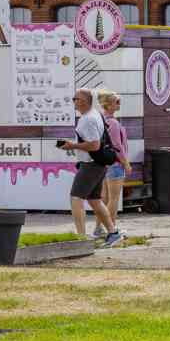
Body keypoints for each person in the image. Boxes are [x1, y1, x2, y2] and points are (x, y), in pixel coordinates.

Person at [64, 88, 122, 247]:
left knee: (76, 198)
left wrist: (72, 146)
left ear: (82, 101)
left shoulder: (87, 119)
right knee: (95, 200)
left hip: (90, 164)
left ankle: (81, 237)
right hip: (98, 164)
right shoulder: (94, 114)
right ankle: (113, 233)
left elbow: (95, 145)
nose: (73, 102)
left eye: (74, 99)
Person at [93, 91, 130, 240]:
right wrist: (126, 163)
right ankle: (112, 229)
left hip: (105, 164)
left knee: (104, 199)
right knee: (113, 199)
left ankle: (98, 229)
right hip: (115, 164)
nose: (119, 104)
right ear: (108, 104)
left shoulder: (101, 120)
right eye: (117, 101)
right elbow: (117, 146)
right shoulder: (113, 123)